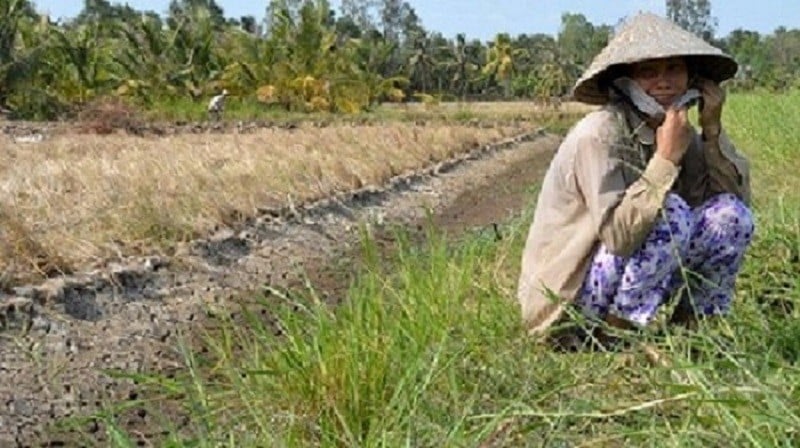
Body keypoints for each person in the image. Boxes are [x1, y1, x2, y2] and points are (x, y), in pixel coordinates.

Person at [515, 12, 754, 347]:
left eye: (674, 69)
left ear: (692, 79)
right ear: (624, 81)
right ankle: (615, 339)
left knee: (731, 217)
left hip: (615, 280)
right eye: (648, 71)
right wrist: (665, 160)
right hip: (568, 300)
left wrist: (712, 128)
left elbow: (730, 203)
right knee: (668, 213)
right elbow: (619, 237)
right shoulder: (598, 135)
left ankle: (690, 332)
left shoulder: (677, 131)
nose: (664, 81)